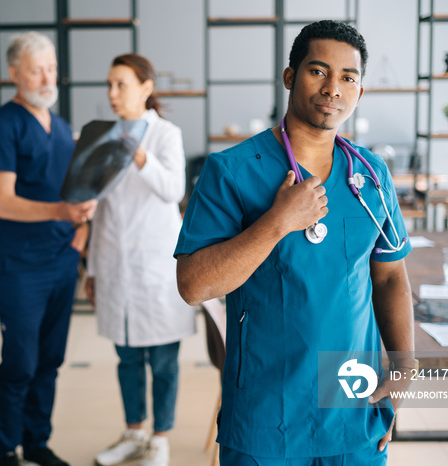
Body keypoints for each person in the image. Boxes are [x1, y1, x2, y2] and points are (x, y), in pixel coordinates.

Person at [175, 20, 415, 465]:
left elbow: (389, 277)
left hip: (351, 403)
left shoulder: (373, 175)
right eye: (318, 71)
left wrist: (403, 367)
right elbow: (193, 285)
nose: (332, 89)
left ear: (359, 92)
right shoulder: (231, 171)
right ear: (290, 77)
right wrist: (276, 222)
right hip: (267, 409)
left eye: (348, 77)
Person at [0, 31, 97, 466]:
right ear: (14, 74)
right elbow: (3, 201)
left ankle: (36, 441)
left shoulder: (61, 125)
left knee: (50, 359)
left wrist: (80, 232)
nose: (47, 77)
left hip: (62, 260)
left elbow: (75, 189)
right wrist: (60, 214)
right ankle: (4, 448)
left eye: (51, 69)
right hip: (22, 266)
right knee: (20, 363)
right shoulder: (2, 125)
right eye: (36, 69)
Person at [86, 54, 195, 466]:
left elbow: (173, 189)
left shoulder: (166, 134)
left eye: (121, 85)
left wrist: (137, 154)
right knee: (127, 357)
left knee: (163, 361)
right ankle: (134, 433)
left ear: (146, 88)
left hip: (156, 266)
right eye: (109, 85)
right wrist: (93, 269)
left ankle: (160, 438)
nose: (113, 94)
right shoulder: (103, 136)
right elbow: (103, 209)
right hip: (115, 263)